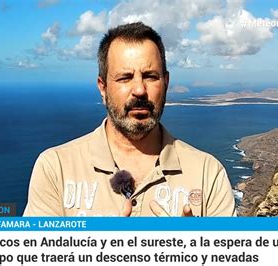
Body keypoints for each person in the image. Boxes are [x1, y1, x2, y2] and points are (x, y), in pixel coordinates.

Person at [23, 22, 236, 217]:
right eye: (124, 78)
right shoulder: (56, 168)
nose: (139, 90)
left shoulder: (208, 173)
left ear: (166, 82)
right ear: (103, 87)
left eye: (150, 76)